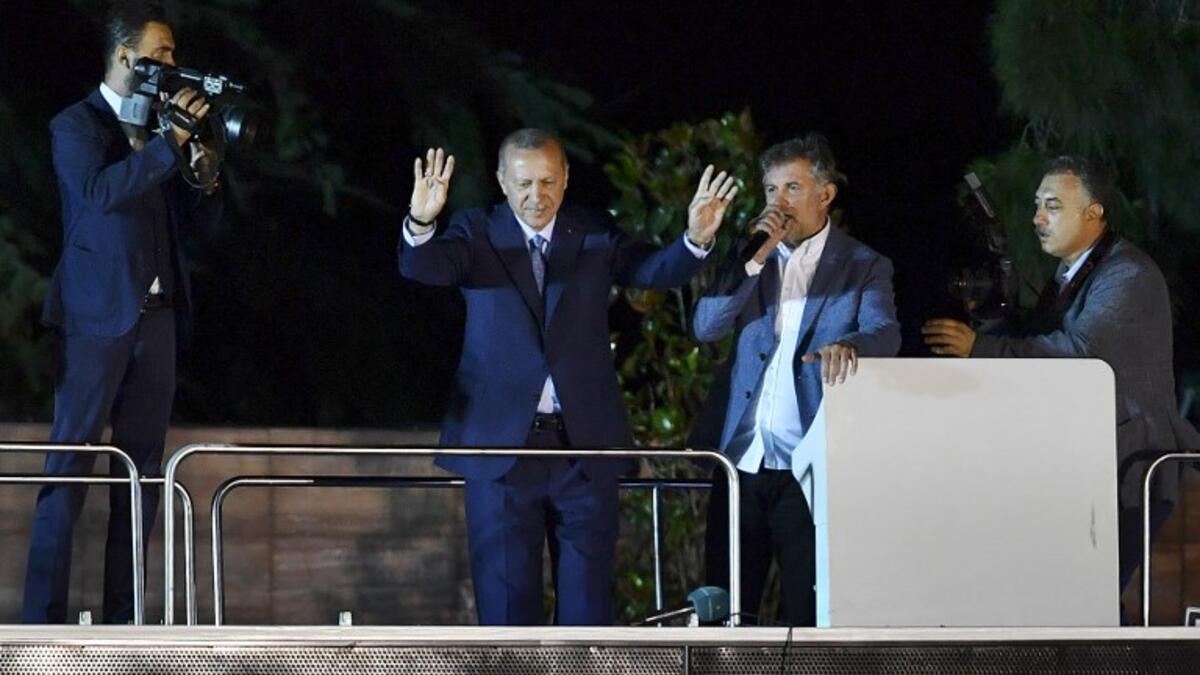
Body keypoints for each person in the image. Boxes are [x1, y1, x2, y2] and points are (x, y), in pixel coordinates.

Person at [398, 130, 737, 625]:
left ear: (566, 177)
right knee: (508, 618)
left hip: (585, 450)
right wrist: (421, 222)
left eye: (548, 181)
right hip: (501, 451)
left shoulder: (592, 232)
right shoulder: (477, 231)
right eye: (524, 183)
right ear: (502, 181)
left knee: (587, 615)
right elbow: (423, 267)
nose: (537, 196)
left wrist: (696, 239)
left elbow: (651, 270)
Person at [24, 1, 222, 624]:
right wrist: (168, 146)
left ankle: (126, 620)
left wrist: (205, 172)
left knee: (143, 476)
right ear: (124, 55)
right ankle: (40, 622)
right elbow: (97, 194)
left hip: (157, 319)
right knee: (69, 469)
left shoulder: (164, 127)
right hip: (94, 319)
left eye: (174, 52)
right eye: (161, 52)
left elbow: (198, 226)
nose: (171, 63)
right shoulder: (76, 124)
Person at [922, 156, 1200, 594]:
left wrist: (981, 348)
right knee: (1072, 601)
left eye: (1052, 206)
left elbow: (1080, 356)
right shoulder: (1072, 275)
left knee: (1091, 601)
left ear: (1093, 213)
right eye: (1037, 205)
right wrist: (993, 321)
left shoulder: (1126, 274)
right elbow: (1038, 348)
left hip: (1129, 471)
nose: (1037, 218)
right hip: (1090, 466)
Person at [693, 133, 901, 626]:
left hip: (808, 470)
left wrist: (851, 345)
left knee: (806, 617)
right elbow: (706, 327)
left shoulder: (862, 265)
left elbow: (885, 331)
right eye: (770, 190)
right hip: (740, 465)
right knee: (724, 614)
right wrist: (751, 259)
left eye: (792, 188)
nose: (778, 203)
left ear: (825, 194)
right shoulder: (750, 259)